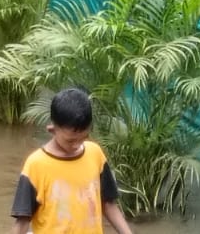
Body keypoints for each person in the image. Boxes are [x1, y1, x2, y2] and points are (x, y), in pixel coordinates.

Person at [10, 88, 134, 234]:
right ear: (52, 129)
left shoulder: (95, 154)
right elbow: (22, 221)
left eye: (83, 137)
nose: (77, 145)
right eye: (70, 140)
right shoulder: (36, 165)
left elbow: (108, 204)